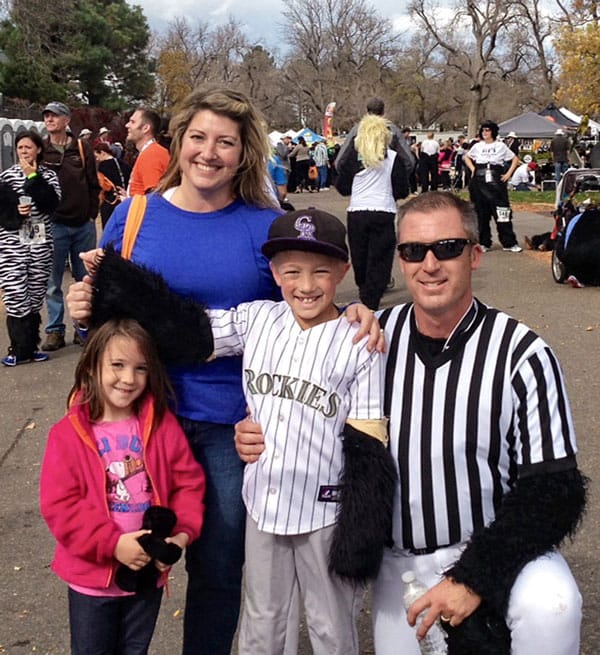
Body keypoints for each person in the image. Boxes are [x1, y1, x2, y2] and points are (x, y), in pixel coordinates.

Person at [66, 84, 380, 655]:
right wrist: (82, 308)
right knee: (132, 559)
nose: (209, 153)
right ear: (178, 141)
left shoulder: (265, 225)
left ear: (244, 152)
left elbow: (304, 303)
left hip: (229, 429)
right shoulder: (134, 216)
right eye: (198, 137)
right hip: (142, 422)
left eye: (225, 142)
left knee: (218, 572)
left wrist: (355, 312)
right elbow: (109, 324)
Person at [236, 191, 587, 655]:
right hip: (398, 561)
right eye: (413, 251)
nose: (430, 265)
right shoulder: (366, 335)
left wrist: (473, 578)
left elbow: (555, 489)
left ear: (474, 255)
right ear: (399, 259)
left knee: (553, 605)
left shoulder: (522, 353)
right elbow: (293, 380)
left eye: (448, 248)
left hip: (489, 547)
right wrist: (255, 428)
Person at [205, 208, 389, 654]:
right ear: (274, 272)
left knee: (331, 624)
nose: (306, 285)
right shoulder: (258, 320)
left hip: (327, 508)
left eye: (321, 271)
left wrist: (362, 526)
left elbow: (368, 438)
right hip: (263, 499)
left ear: (343, 270)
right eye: (292, 271)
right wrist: (111, 290)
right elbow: (185, 330)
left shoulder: (360, 340)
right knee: (262, 620)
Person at [40, 319, 205, 655]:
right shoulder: (67, 434)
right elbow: (60, 505)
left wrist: (180, 535)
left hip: (146, 576)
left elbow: (188, 483)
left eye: (140, 368)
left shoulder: (162, 425)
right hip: (92, 580)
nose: (129, 378)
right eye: (117, 365)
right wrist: (112, 544)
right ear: (91, 366)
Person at [41, 101, 100, 352]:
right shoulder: (41, 149)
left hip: (82, 225)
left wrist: (91, 215)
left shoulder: (82, 148)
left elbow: (93, 183)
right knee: (52, 281)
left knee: (84, 278)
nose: (49, 119)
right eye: (46, 116)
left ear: (66, 120)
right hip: (54, 225)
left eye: (54, 116)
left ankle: (81, 326)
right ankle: (55, 330)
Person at [0, 130, 61, 366]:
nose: (24, 151)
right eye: (20, 147)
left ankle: (31, 347)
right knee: (16, 295)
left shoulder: (49, 175)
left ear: (39, 149)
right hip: (12, 245)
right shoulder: (6, 177)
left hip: (40, 244)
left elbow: (51, 204)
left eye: (28, 147)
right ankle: (18, 350)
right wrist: (16, 212)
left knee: (35, 296)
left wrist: (33, 177)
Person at [336, 113, 409, 309]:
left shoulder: (353, 156)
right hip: (383, 210)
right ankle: (372, 296)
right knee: (380, 257)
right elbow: (402, 189)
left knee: (359, 254)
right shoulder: (393, 158)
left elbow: (342, 186)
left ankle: (364, 287)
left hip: (357, 211)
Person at [463, 120, 522, 252]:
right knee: (481, 213)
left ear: (493, 132)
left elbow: (514, 159)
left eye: (487, 130)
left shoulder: (501, 146)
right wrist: (473, 169)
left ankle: (509, 242)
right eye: (483, 130)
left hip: (496, 179)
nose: (485, 133)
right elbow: (467, 157)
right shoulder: (477, 146)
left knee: (502, 212)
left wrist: (508, 174)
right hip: (479, 179)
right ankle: (484, 242)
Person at [335, 97, 415, 184]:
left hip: (362, 184)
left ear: (367, 112)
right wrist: (398, 180)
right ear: (383, 112)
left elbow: (340, 162)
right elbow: (409, 161)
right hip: (386, 184)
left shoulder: (357, 130)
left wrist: (353, 180)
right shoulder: (392, 130)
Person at [125, 107, 170, 196]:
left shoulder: (152, 154)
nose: (127, 125)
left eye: (133, 122)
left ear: (145, 128)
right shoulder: (150, 152)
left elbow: (154, 197)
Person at [93, 142, 131, 228]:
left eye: (97, 156)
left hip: (109, 203)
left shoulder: (102, 167)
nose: (97, 159)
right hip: (125, 200)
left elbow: (103, 186)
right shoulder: (124, 164)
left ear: (103, 153)